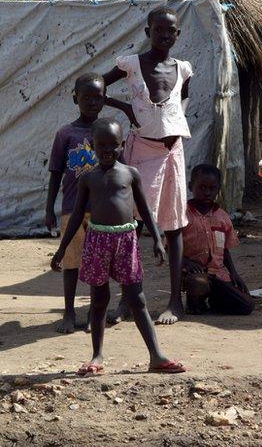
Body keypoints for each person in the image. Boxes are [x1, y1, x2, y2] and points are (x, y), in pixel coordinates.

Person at [50, 118, 186, 376]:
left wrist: (157, 238)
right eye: (101, 145)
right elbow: (77, 216)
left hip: (126, 239)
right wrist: (62, 249)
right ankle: (97, 356)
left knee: (137, 299)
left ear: (122, 144)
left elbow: (144, 209)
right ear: (92, 145)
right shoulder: (88, 179)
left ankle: (156, 356)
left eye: (113, 145)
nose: (107, 150)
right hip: (98, 241)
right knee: (99, 299)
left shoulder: (130, 174)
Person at [103, 6, 192, 325]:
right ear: (148, 32)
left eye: (171, 31)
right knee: (134, 225)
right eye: (159, 30)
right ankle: (128, 301)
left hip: (173, 153)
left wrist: (171, 118)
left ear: (178, 34)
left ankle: (175, 302)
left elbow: (183, 100)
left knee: (174, 225)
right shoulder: (132, 64)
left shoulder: (182, 69)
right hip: (141, 151)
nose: (165, 35)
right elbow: (96, 87)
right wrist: (127, 110)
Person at [45, 74, 104, 333]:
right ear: (75, 99)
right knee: (71, 262)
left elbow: (119, 171)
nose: (92, 102)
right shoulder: (65, 134)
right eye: (86, 97)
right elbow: (56, 172)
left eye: (98, 97)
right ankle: (69, 312)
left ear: (105, 99)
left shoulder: (108, 131)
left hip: (102, 210)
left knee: (98, 265)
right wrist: (49, 209)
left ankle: (93, 312)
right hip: (71, 209)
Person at [182, 164, 254, 316]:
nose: (207, 192)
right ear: (190, 187)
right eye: (202, 187)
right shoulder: (182, 215)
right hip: (193, 274)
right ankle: (194, 301)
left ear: (218, 189)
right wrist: (187, 263)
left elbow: (224, 249)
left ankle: (214, 300)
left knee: (247, 305)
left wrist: (234, 273)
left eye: (212, 188)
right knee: (197, 283)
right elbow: (170, 247)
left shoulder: (222, 217)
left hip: (218, 274)